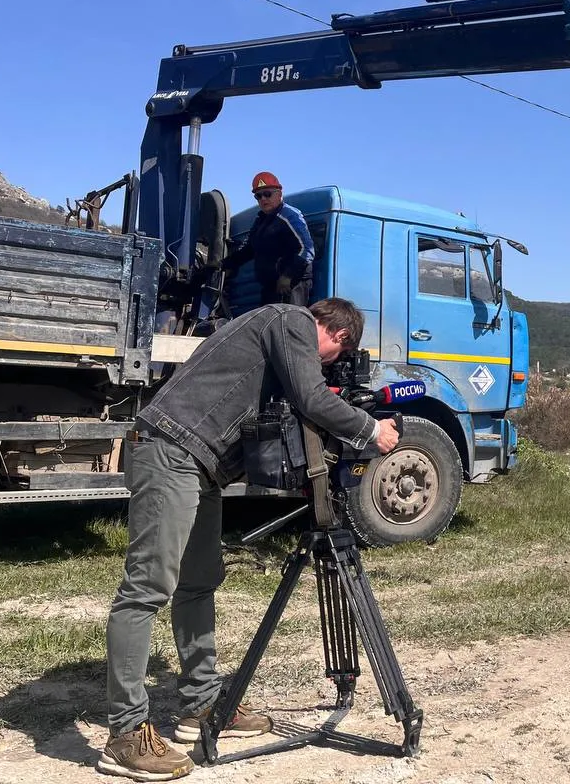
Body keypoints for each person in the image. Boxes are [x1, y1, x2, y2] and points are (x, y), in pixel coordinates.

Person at [98, 298, 399, 781]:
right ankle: (126, 733)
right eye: (332, 358)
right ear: (339, 335)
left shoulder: (277, 332)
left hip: (199, 464)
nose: (324, 365)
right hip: (172, 451)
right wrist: (370, 429)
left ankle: (202, 705)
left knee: (198, 583)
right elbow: (312, 398)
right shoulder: (292, 320)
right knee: (146, 589)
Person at [221, 172, 315, 306]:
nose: (263, 199)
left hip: (292, 285)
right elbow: (248, 250)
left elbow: (306, 248)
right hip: (271, 287)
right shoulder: (261, 221)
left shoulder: (289, 215)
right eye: (258, 196)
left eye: (267, 194)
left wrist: (287, 276)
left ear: (279, 193)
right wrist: (224, 265)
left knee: (290, 318)